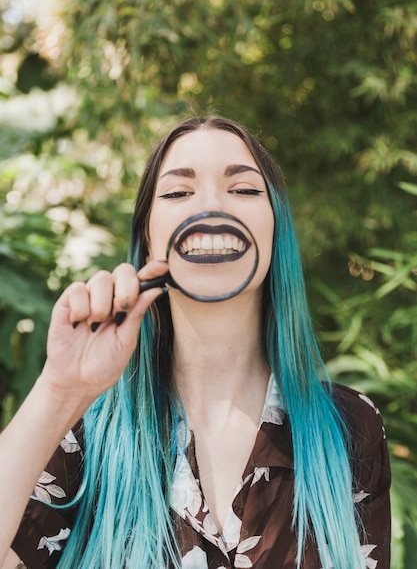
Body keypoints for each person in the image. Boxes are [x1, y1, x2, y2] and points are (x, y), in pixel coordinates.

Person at [0, 116, 390, 569]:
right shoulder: (83, 434)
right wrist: (59, 390)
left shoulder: (349, 429)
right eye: (177, 193)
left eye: (243, 190)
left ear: (274, 230)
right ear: (148, 242)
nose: (210, 205)